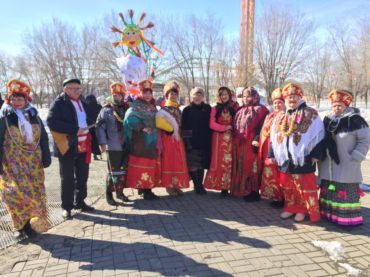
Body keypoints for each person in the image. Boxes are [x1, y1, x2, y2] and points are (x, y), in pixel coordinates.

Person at [0, 79, 51, 239]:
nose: (16, 102)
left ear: (26, 100)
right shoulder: (5, 117)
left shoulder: (34, 115)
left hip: (33, 164)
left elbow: (43, 137)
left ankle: (31, 224)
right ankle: (19, 227)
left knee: (34, 193)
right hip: (12, 163)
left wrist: (47, 155)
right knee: (14, 194)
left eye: (19, 99)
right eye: (13, 99)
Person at [269, 83, 324, 222]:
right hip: (285, 158)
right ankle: (290, 207)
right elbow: (273, 137)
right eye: (289, 97)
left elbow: (320, 134)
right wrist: (272, 154)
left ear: (300, 97)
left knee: (303, 185)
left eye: (294, 97)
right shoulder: (281, 115)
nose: (291, 100)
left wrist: (316, 154)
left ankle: (303, 209)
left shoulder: (311, 113)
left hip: (304, 157)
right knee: (288, 185)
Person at [319, 89, 370, 226]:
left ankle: (347, 219)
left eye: (339, 105)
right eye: (334, 105)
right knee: (329, 189)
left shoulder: (355, 120)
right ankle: (329, 215)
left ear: (346, 105)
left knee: (344, 190)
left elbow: (365, 140)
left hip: (347, 163)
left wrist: (355, 156)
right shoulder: (328, 120)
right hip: (327, 164)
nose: (336, 108)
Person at [47, 78, 95, 220]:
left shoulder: (84, 101)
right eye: (73, 89)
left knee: (83, 175)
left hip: (84, 143)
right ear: (65, 90)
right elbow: (51, 121)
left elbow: (89, 118)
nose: (76, 91)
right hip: (67, 144)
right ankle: (66, 207)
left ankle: (79, 201)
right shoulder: (59, 103)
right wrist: (74, 130)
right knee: (67, 178)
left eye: (78, 88)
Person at [123, 80, 161, 200]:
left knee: (150, 164)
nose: (147, 95)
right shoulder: (137, 105)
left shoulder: (152, 105)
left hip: (152, 140)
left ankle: (146, 188)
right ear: (140, 93)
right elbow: (129, 118)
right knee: (143, 164)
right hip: (141, 141)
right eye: (145, 93)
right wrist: (142, 128)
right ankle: (144, 190)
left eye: (149, 93)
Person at [231, 87, 269, 201]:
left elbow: (263, 126)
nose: (246, 99)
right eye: (244, 96)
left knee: (252, 166)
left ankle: (253, 191)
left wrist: (257, 139)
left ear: (255, 96)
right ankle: (242, 188)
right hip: (240, 143)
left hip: (253, 142)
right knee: (241, 164)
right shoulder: (240, 110)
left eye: (249, 96)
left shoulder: (261, 110)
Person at [96, 82, 131, 205]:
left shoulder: (128, 108)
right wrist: (102, 143)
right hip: (113, 145)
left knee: (123, 170)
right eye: (115, 95)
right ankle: (109, 195)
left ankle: (120, 193)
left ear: (123, 96)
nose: (117, 98)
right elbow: (99, 127)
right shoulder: (106, 110)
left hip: (126, 144)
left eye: (119, 95)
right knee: (113, 171)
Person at [156, 81, 190, 196]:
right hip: (168, 139)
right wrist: (170, 129)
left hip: (178, 139)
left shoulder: (177, 109)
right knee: (169, 161)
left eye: (175, 94)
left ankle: (176, 184)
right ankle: (169, 186)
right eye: (171, 94)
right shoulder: (164, 109)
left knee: (178, 162)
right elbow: (159, 121)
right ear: (166, 96)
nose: (173, 96)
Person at [204, 86, 238, 196]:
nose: (224, 96)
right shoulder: (215, 108)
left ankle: (229, 186)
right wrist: (224, 128)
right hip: (219, 138)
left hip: (232, 138)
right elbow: (211, 124)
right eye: (222, 95)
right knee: (220, 162)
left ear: (229, 95)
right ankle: (221, 187)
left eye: (226, 94)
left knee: (230, 162)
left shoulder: (235, 107)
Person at [181, 87, 212, 194]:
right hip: (192, 141)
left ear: (203, 97)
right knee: (193, 164)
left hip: (205, 140)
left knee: (202, 164)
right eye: (195, 95)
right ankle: (197, 185)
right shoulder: (187, 110)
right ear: (191, 97)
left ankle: (200, 184)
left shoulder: (208, 108)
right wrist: (187, 142)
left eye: (200, 95)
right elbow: (183, 127)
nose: (197, 97)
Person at [259, 88, 285, 207]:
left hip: (280, 148)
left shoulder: (286, 115)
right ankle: (273, 196)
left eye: (280, 102)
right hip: (268, 149)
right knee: (270, 172)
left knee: (280, 172)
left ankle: (282, 197)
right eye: (275, 103)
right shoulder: (269, 116)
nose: (277, 105)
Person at [85, 94, 102, 160]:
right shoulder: (99, 106)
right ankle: (97, 153)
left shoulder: (85, 107)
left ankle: (91, 153)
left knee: (90, 141)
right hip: (98, 125)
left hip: (89, 126)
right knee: (97, 140)